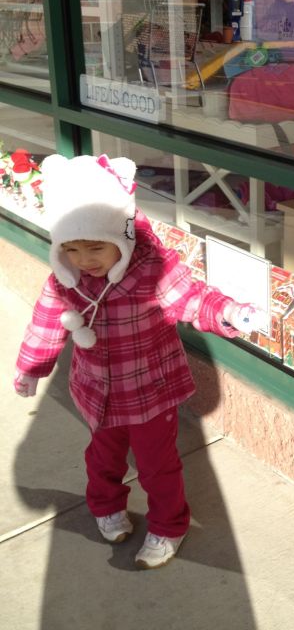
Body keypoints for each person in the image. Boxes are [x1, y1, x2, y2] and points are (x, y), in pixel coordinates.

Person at [13, 153, 266, 569]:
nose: (84, 260)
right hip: (98, 392)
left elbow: (192, 299)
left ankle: (169, 525)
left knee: (156, 465)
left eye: (96, 247)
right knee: (102, 457)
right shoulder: (66, 280)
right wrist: (31, 367)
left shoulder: (152, 271)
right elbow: (46, 323)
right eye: (71, 249)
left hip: (150, 392)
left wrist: (228, 312)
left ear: (122, 237)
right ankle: (106, 505)